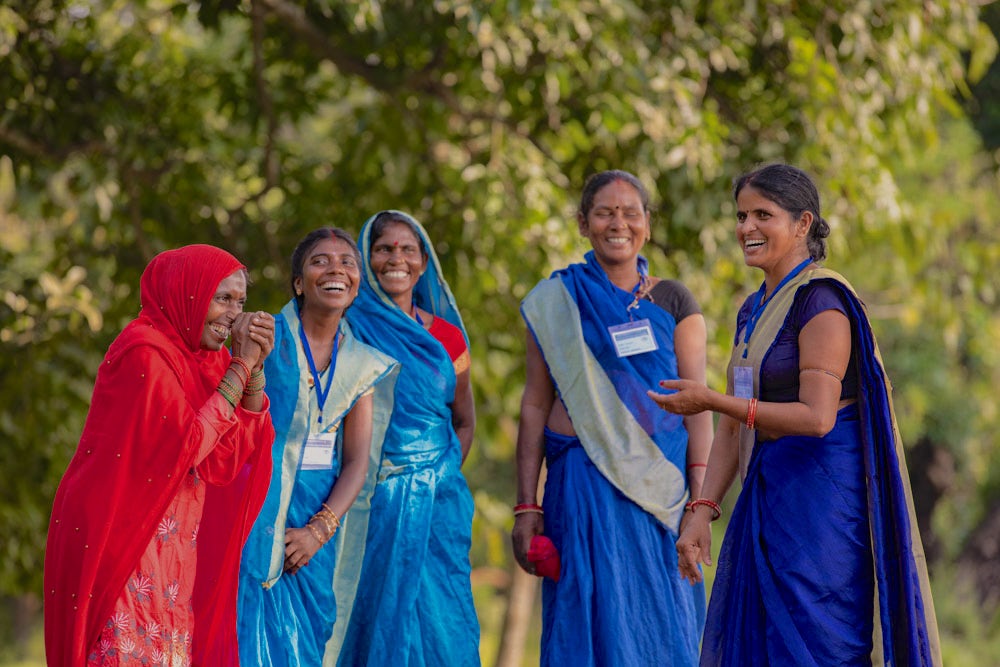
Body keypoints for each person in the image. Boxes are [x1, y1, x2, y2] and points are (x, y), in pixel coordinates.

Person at [648, 163, 942, 665]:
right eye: (741, 216)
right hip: (767, 499)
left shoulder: (822, 301)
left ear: (804, 223)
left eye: (763, 214)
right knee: (760, 642)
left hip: (821, 510)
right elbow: (735, 422)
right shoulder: (752, 309)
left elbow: (817, 417)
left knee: (820, 642)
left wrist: (711, 399)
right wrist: (701, 511)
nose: (747, 228)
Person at [511, 169, 712, 666]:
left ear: (646, 223)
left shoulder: (675, 300)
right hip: (580, 487)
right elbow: (536, 401)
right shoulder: (558, 300)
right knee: (586, 618)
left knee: (664, 622)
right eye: (604, 212)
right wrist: (525, 503)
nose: (617, 222)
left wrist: (700, 503)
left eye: (630, 212)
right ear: (583, 223)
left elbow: (699, 410)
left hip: (659, 491)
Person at [44, 244, 276, 667]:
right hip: (122, 535)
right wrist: (240, 368)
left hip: (173, 545)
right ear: (186, 293)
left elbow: (224, 461)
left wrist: (254, 371)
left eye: (240, 301)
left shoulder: (205, 362)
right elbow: (189, 443)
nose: (233, 313)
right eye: (222, 298)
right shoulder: (144, 350)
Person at [237, 228, 398, 666]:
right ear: (298, 282)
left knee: (306, 647)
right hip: (250, 523)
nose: (336, 270)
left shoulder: (360, 363)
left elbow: (356, 464)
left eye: (347, 262)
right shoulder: (266, 339)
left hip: (310, 542)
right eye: (319, 261)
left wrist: (317, 532)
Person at [338, 210, 479, 666]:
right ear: (366, 257)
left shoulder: (447, 338)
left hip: (439, 504)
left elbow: (464, 420)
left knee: (446, 619)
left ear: (424, 262)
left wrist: (440, 475)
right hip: (368, 501)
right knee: (372, 614)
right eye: (383, 249)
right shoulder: (348, 328)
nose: (395, 258)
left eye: (407, 249)